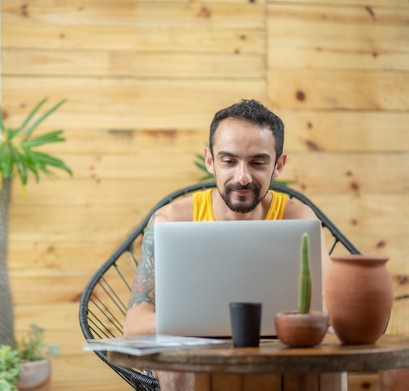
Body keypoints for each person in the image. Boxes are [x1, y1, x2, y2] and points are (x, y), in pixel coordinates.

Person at [122, 99, 331, 391]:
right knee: (177, 357)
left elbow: (330, 309)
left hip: (277, 354)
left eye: (258, 162)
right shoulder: (172, 220)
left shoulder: (298, 219)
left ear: (278, 164)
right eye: (229, 161)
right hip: (194, 357)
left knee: (323, 363)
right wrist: (213, 328)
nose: (242, 177)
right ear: (210, 161)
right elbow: (134, 326)